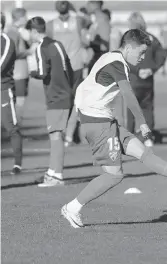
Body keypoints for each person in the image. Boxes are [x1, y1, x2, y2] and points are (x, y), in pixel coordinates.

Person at [61, 29, 167, 228]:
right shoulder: (117, 63)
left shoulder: (112, 58)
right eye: (141, 53)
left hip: (104, 120)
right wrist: (142, 122)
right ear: (129, 47)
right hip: (97, 124)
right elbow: (128, 95)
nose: (142, 58)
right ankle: (72, 207)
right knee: (114, 175)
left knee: (144, 154)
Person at [26, 17, 74, 187]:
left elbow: (42, 72)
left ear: (34, 31)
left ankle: (57, 176)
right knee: (56, 134)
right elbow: (69, 68)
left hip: (55, 96)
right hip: (66, 93)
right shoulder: (57, 44)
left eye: (29, 33)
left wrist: (30, 72)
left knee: (55, 136)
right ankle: (52, 172)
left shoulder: (41, 47)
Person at [46, 1, 91, 147]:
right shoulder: (77, 21)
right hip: (76, 65)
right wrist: (75, 10)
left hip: (59, 67)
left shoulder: (51, 25)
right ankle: (72, 134)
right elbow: (88, 24)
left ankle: (63, 132)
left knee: (62, 100)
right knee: (76, 100)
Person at [123, 12, 167, 146]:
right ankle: (148, 138)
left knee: (131, 110)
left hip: (133, 79)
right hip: (147, 80)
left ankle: (129, 138)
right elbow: (162, 54)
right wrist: (152, 69)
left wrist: (138, 70)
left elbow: (125, 57)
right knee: (147, 108)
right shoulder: (152, 38)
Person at [1, 12, 23, 175]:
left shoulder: (7, 41)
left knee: (11, 128)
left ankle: (17, 164)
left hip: (3, 89)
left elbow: (2, 66)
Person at [6, 8, 31, 120]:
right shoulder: (12, 32)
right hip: (17, 72)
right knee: (19, 101)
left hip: (21, 71)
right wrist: (29, 51)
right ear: (20, 18)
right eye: (25, 17)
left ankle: (15, 129)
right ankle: (15, 130)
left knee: (18, 100)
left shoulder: (19, 31)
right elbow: (11, 53)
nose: (27, 19)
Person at [86, 0, 110, 72]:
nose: (87, 6)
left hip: (98, 62)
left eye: (88, 3)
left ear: (95, 4)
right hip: (93, 61)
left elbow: (104, 46)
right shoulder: (95, 20)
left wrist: (88, 43)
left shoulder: (102, 19)